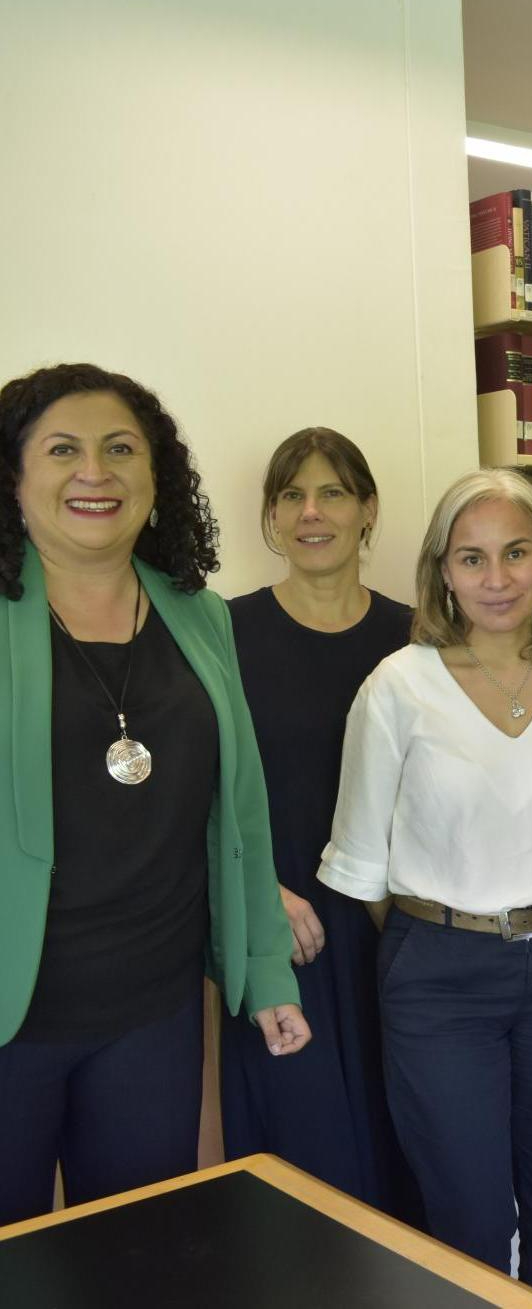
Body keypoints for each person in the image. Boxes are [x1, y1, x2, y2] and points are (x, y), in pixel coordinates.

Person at [317, 467, 532, 1308]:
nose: (496, 578)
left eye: (516, 552)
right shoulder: (396, 685)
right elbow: (361, 861)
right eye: (471, 558)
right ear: (442, 571)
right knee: (469, 1211)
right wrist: (451, 922)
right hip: (438, 974)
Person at [0, 363, 308, 1226]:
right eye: (63, 449)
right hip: (11, 1011)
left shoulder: (195, 612)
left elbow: (238, 812)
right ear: (14, 476)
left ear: (154, 477)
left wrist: (265, 970)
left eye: (120, 449)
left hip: (153, 1010)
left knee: (138, 1252)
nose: (94, 471)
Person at [219, 428, 417, 1219]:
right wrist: (256, 891)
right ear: (270, 517)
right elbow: (198, 794)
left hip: (397, 931)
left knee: (406, 1135)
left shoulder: (417, 637)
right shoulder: (221, 634)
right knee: (301, 1159)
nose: (311, 512)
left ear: (367, 511)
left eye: (332, 492)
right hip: (281, 927)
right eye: (291, 495)